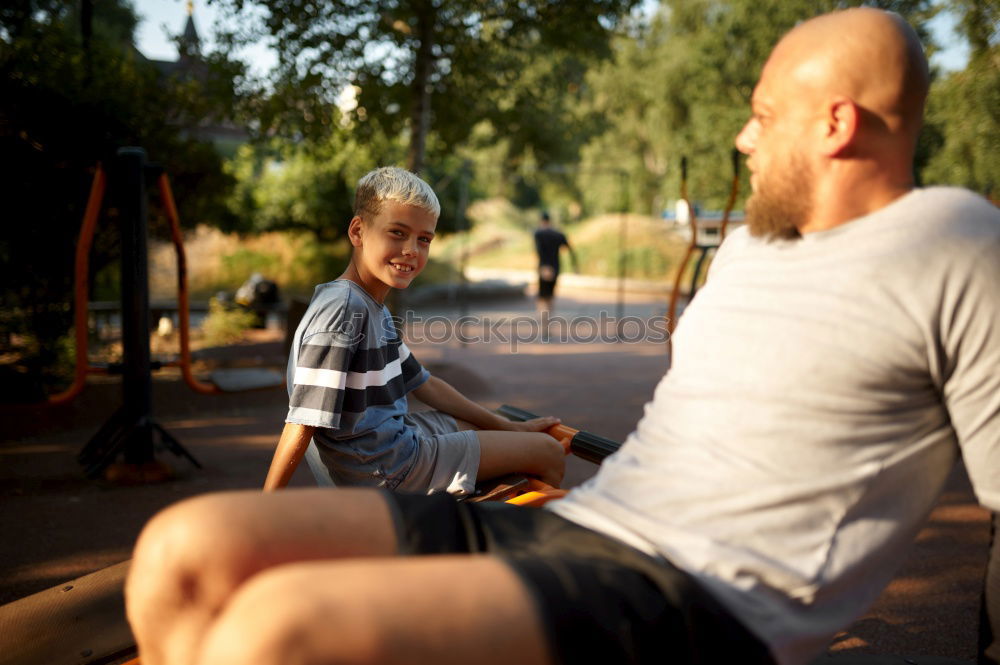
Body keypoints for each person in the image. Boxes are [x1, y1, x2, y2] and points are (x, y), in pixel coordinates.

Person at [125, 9, 1000, 665]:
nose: (743, 138)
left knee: (276, 634)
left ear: (837, 124)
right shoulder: (746, 250)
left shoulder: (954, 242)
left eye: (764, 117)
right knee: (184, 554)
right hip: (592, 521)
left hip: (699, 589)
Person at [263, 166, 565, 495]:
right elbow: (303, 420)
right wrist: (267, 505)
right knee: (548, 452)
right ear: (357, 231)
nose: (412, 250)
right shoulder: (344, 309)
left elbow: (425, 384)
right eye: (397, 233)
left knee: (483, 426)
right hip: (385, 470)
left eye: (424, 239)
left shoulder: (369, 306)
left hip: (390, 446)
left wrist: (509, 428)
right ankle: (496, 539)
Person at [533, 211, 576, 311]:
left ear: (541, 221)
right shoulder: (559, 235)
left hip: (543, 267)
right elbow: (570, 250)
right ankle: (549, 317)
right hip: (555, 267)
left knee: (542, 295)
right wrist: (574, 265)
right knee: (550, 294)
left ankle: (544, 319)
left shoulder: (538, 234)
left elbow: (538, 251)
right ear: (550, 221)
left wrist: (543, 266)